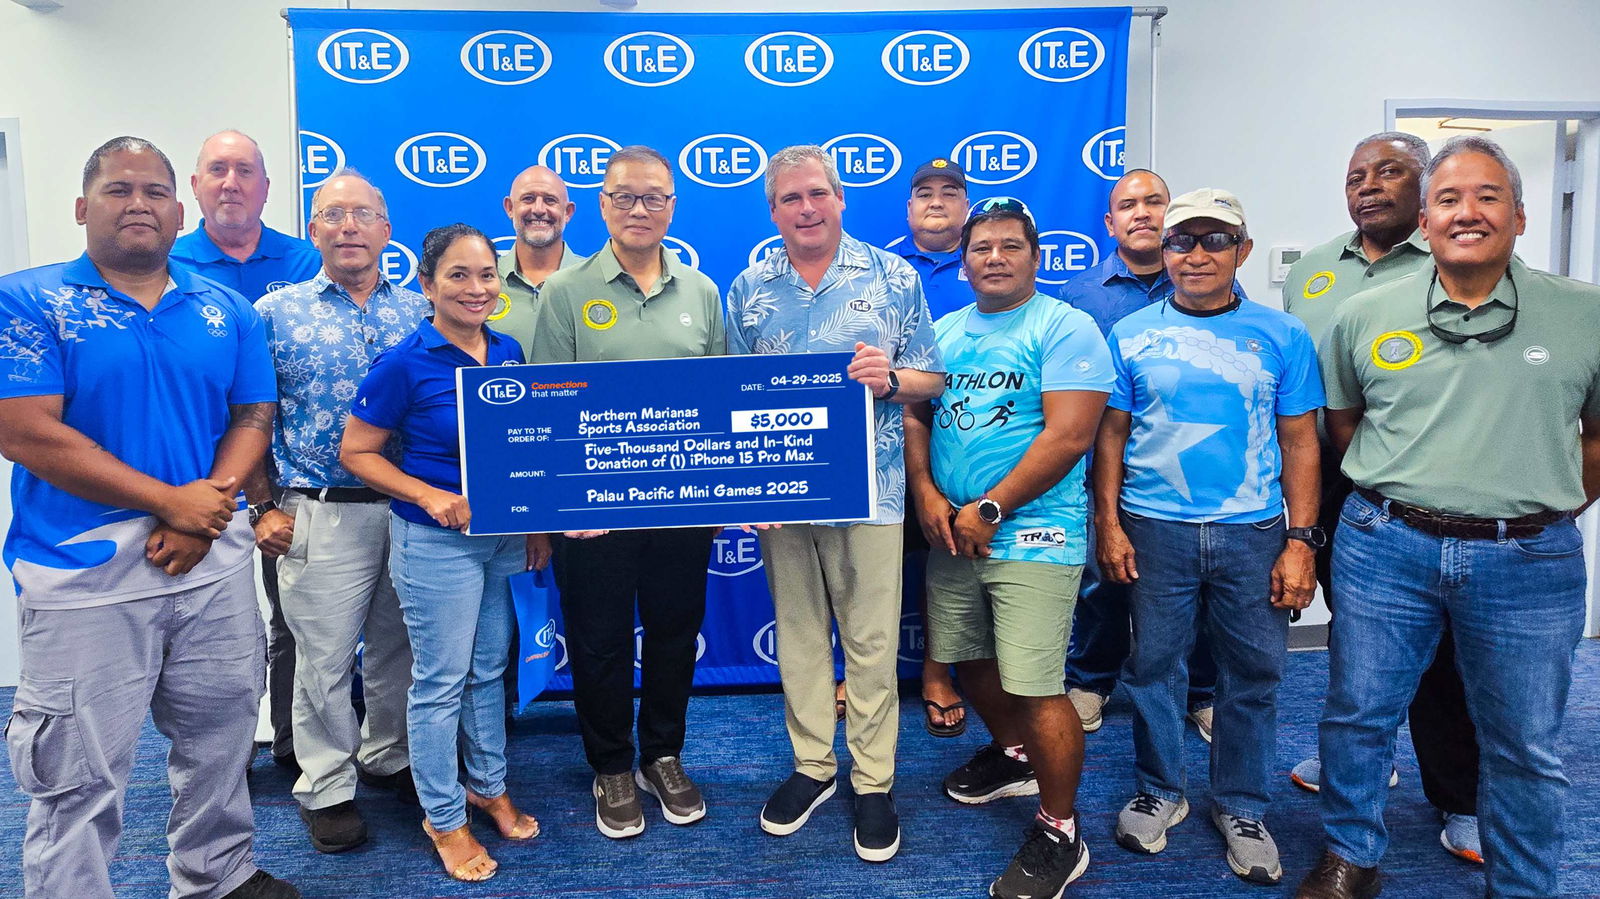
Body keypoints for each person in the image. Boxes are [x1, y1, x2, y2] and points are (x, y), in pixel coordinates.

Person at [1295, 136, 1600, 899]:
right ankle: (1349, 856)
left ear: (1521, 217)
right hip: (1385, 545)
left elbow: (1597, 439)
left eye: (1488, 196)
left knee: (1525, 743)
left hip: (1529, 561)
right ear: (1425, 221)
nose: (1468, 212)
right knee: (1358, 714)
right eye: (1450, 200)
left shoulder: (1584, 315)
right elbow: (1346, 426)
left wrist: (1536, 501)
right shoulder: (1365, 313)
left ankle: (1524, 884)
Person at [0, 136, 297, 898]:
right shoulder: (27, 300)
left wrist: (205, 510)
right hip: (83, 579)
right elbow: (25, 429)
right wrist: (171, 502)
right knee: (76, 770)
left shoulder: (224, 306)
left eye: (156, 191)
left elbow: (254, 412)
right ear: (81, 207)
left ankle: (216, 875)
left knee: (221, 738)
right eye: (119, 189)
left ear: (179, 208)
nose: (139, 204)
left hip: (212, 566)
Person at [1095, 188, 1323, 885]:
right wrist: (1106, 521)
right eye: (1181, 241)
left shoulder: (1283, 335)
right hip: (1153, 528)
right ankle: (1161, 789)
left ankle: (1243, 805)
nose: (1196, 254)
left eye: (1214, 240)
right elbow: (1111, 435)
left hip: (1252, 530)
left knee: (1253, 674)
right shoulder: (1129, 334)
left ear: (1242, 251)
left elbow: (1301, 442)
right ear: (1163, 253)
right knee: (1153, 667)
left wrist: (1301, 538)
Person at [725, 145, 944, 863]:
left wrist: (891, 379)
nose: (806, 208)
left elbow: (933, 378)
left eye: (818, 193)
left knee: (873, 640)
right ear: (773, 210)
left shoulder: (892, 275)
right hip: (782, 495)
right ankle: (814, 765)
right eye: (790, 198)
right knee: (797, 632)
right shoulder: (749, 287)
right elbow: (731, 395)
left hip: (872, 492)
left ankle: (874, 780)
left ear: (841, 199)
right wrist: (746, 483)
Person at [1281, 131, 1484, 862]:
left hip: (1427, 473)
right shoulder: (1310, 271)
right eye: (1357, 174)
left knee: (1440, 643)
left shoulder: (1457, 261)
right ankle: (1362, 759)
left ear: (1426, 188)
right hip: (1333, 472)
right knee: (1359, 629)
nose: (1369, 185)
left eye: (1390, 171)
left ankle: (1459, 794)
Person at [905, 201, 1112, 898]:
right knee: (969, 661)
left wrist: (992, 506)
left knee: (1036, 684)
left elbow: (1071, 435)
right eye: (982, 247)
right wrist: (928, 493)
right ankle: (1016, 754)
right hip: (953, 530)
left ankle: (1061, 828)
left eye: (1010, 246)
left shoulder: (1064, 325)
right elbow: (915, 413)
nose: (994, 257)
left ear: (1036, 255)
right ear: (963, 261)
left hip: (1034, 532)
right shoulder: (944, 330)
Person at [530, 145, 725, 840]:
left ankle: (662, 754)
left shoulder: (702, 293)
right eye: (624, 197)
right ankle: (611, 764)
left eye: (654, 197)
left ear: (673, 205)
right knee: (601, 641)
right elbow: (546, 408)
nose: (639, 209)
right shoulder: (566, 291)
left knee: (674, 634)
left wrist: (727, 495)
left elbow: (720, 403)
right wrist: (560, 508)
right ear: (603, 205)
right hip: (595, 517)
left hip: (682, 510)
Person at [341, 223, 543, 883]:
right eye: (458, 275)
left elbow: (523, 450)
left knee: (488, 670)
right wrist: (428, 493)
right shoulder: (404, 361)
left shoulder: (508, 351)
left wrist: (537, 523)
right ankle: (443, 814)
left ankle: (487, 784)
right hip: (435, 543)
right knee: (440, 681)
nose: (476, 287)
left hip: (501, 537)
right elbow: (357, 452)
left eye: (487, 274)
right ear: (427, 284)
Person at [247, 170, 429, 852]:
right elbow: (252, 418)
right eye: (332, 215)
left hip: (410, 509)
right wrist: (261, 505)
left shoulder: (421, 311)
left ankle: (388, 755)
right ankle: (326, 784)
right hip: (319, 511)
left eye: (363, 214)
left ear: (386, 230)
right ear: (314, 229)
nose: (348, 226)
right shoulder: (274, 313)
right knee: (321, 659)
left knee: (398, 648)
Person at [170, 129, 321, 772]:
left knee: (291, 620)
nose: (231, 183)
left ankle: (293, 746)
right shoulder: (166, 262)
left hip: (279, 476)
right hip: (184, 472)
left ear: (265, 187)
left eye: (245, 172)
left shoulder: (304, 260)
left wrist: (264, 501)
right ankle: (210, 760)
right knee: (203, 640)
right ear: (195, 187)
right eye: (217, 170)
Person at [1057, 169, 1221, 740]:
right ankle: (1091, 680)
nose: (1142, 213)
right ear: (1110, 222)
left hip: (1187, 464)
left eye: (1155, 202)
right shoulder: (1079, 298)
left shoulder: (1214, 288)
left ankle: (1200, 691)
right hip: (1099, 463)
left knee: (1196, 582)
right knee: (1102, 579)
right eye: (1129, 205)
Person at [888, 156, 972, 739]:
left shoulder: (990, 265)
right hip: (891, 440)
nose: (937, 201)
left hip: (966, 441)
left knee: (947, 565)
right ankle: (861, 672)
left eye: (950, 192)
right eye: (924, 193)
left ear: (966, 207)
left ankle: (938, 675)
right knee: (874, 564)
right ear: (909, 207)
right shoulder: (883, 272)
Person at [493, 164, 585, 351]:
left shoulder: (594, 278)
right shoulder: (484, 282)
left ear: (567, 212)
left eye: (550, 200)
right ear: (510, 208)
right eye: (528, 199)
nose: (539, 209)